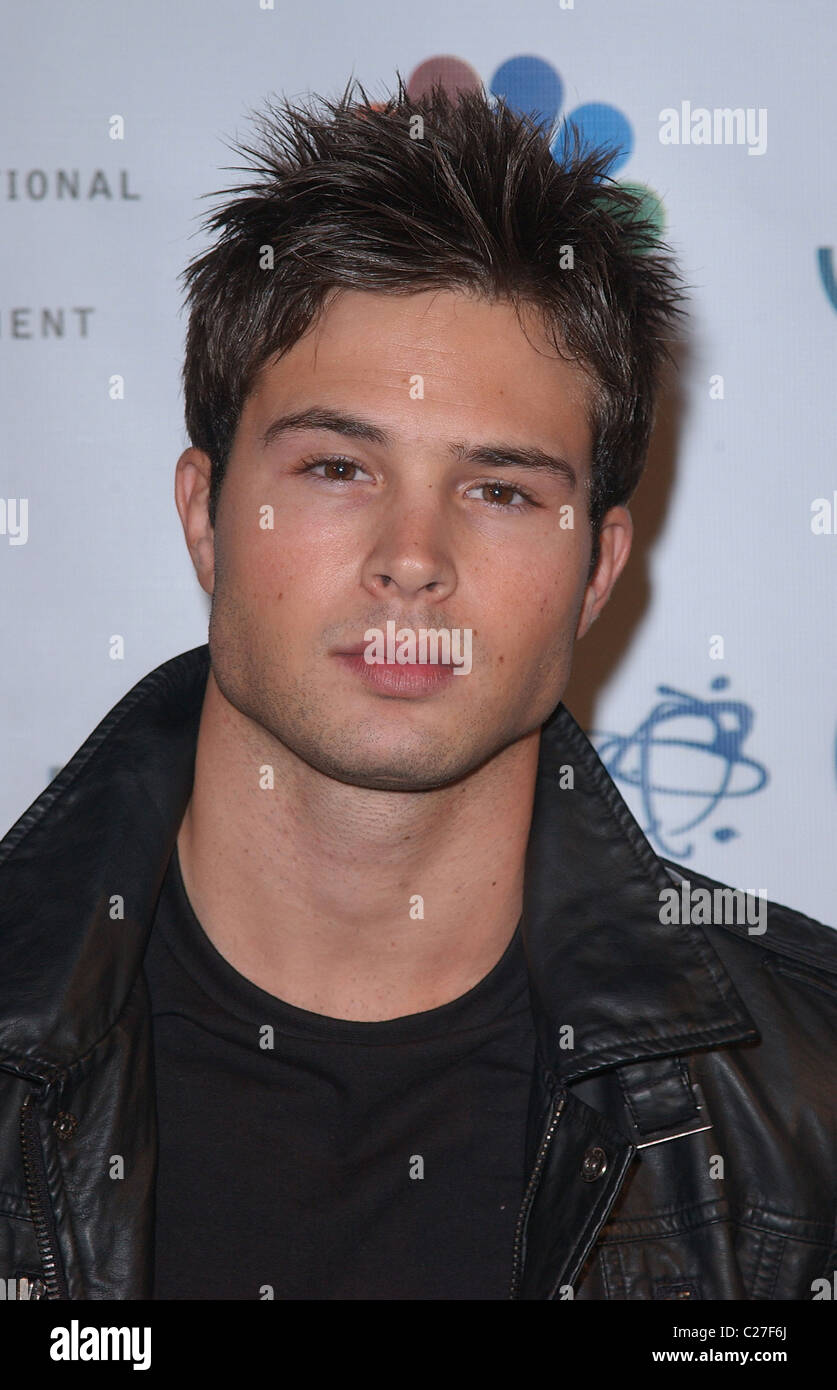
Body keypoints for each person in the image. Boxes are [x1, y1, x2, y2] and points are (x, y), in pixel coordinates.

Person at [0, 76, 834, 1303]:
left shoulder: (807, 1101)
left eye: (500, 489)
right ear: (206, 516)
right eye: (338, 467)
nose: (413, 557)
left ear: (598, 571)